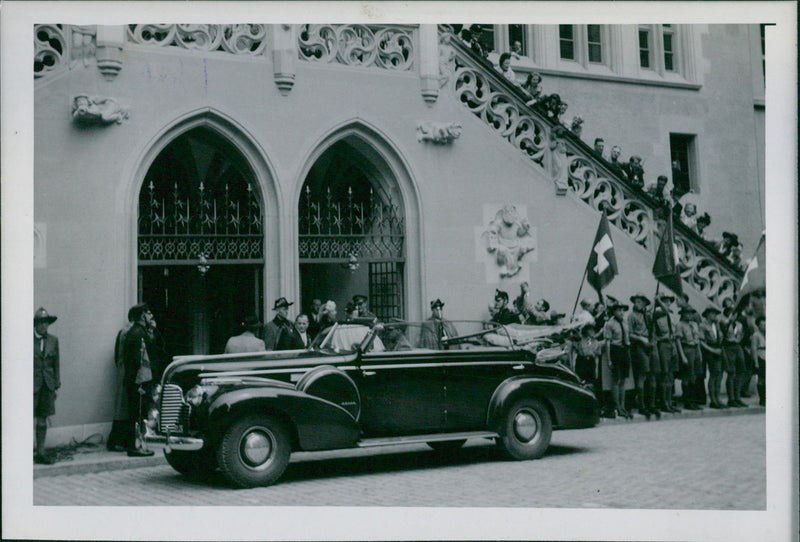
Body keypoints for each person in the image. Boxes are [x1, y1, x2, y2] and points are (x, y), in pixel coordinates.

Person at [122, 303, 156, 457]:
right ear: (142, 316)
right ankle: (135, 447)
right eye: (148, 314)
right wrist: (140, 384)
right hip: (139, 382)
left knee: (137, 414)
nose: (150, 316)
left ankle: (137, 445)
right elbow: (138, 361)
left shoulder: (137, 331)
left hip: (136, 381)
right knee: (138, 415)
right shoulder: (138, 333)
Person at [34, 307, 60, 464]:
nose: (44, 326)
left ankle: (40, 452)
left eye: (46, 323)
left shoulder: (53, 340)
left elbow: (56, 364)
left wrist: (56, 385)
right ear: (35, 324)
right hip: (31, 386)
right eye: (41, 323)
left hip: (47, 386)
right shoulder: (26, 340)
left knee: (42, 420)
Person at [108, 307, 136, 452]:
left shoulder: (123, 332)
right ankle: (116, 441)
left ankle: (118, 440)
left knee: (122, 407)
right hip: (127, 371)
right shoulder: (128, 333)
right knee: (123, 407)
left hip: (122, 370)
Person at [603, 301, 632, 419]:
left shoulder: (625, 322)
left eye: (622, 310)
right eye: (618, 310)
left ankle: (623, 406)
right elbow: (608, 343)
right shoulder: (609, 324)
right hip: (616, 351)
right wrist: (609, 360)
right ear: (614, 311)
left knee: (623, 380)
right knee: (616, 380)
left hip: (625, 351)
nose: (621, 312)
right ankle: (617, 407)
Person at [628, 293, 655, 419]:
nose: (637, 304)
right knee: (642, 376)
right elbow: (630, 334)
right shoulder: (631, 316)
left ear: (645, 303)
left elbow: (652, 330)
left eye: (640, 302)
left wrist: (652, 341)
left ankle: (651, 404)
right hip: (639, 346)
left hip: (650, 345)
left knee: (651, 375)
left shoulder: (648, 316)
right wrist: (641, 339)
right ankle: (641, 405)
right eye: (636, 301)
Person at [652, 294, 680, 413]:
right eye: (666, 301)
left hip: (672, 343)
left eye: (669, 301)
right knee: (665, 374)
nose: (668, 303)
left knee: (671, 375)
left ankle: (669, 401)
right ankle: (664, 402)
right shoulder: (658, 313)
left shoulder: (670, 314)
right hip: (663, 344)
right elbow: (664, 311)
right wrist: (657, 300)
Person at [720, 300, 747, 408]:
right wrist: (729, 322)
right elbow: (723, 334)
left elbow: (743, 334)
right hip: (729, 347)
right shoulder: (723, 322)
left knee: (741, 371)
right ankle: (731, 399)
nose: (732, 314)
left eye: (734, 312)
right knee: (731, 372)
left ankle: (737, 397)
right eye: (730, 312)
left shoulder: (739, 324)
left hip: (738, 346)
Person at [675, 306, 703, 410]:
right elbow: (678, 341)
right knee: (687, 376)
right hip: (686, 349)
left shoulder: (694, 324)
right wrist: (682, 356)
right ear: (682, 314)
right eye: (687, 313)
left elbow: (698, 340)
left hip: (695, 349)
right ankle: (687, 401)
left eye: (691, 313)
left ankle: (693, 401)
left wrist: (699, 353)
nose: (690, 315)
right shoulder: (679, 325)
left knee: (694, 376)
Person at [700, 306, 726, 409]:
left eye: (715, 314)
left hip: (719, 349)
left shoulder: (717, 325)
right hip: (710, 351)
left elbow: (721, 336)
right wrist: (712, 350)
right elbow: (701, 342)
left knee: (719, 375)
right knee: (714, 374)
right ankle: (713, 400)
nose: (714, 315)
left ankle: (718, 398)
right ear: (707, 314)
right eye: (712, 313)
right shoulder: (703, 325)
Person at [751, 315, 766, 406]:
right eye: (762, 325)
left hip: (768, 357)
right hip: (760, 357)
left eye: (765, 324)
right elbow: (754, 349)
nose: (764, 326)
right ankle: (762, 398)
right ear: (758, 326)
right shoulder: (756, 335)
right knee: (761, 379)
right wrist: (756, 362)